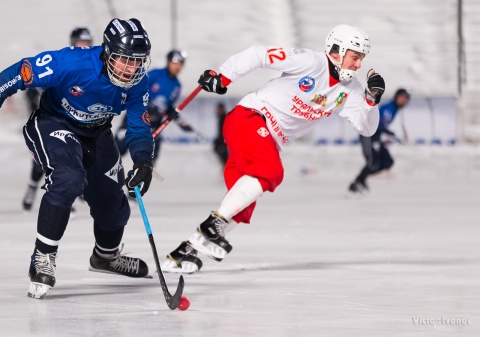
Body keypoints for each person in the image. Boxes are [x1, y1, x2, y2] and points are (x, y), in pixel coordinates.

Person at [0, 18, 155, 299]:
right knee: (68, 179)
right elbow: (14, 75)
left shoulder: (138, 82)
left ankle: (106, 258)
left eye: (137, 62)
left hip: (97, 133)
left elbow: (139, 127)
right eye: (125, 60)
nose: (131, 70)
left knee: (114, 206)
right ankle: (42, 257)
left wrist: (143, 161)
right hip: (53, 123)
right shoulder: (70, 63)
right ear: (107, 52)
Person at [161, 24, 386, 274]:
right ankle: (212, 225)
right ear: (336, 51)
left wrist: (371, 101)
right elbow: (259, 54)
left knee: (241, 207)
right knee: (270, 172)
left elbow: (367, 129)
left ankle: (183, 253)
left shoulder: (351, 90)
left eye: (361, 59)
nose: (358, 65)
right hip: (249, 118)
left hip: (266, 140)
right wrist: (224, 76)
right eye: (355, 58)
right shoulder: (310, 62)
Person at [22, 27, 94, 211]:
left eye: (87, 44)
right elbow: (35, 82)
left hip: (78, 121)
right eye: (81, 43)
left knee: (80, 156)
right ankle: (34, 187)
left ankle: (71, 191)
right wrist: (34, 99)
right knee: (46, 159)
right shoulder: (63, 62)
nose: (84, 47)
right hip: (55, 119)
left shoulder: (94, 67)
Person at [115, 49, 193, 165]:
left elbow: (168, 107)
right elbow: (136, 88)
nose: (178, 66)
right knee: (118, 149)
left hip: (154, 124)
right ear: (168, 62)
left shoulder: (177, 86)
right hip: (136, 118)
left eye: (181, 64)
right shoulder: (155, 74)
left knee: (149, 157)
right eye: (175, 62)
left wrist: (178, 119)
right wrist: (148, 103)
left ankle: (141, 178)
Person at [348, 88, 410, 194]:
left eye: (406, 99)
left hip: (375, 136)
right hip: (367, 134)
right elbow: (379, 123)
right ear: (396, 96)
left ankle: (361, 179)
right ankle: (357, 183)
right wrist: (390, 133)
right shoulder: (389, 108)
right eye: (402, 98)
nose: (404, 101)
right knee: (373, 161)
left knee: (388, 162)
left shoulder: (394, 109)